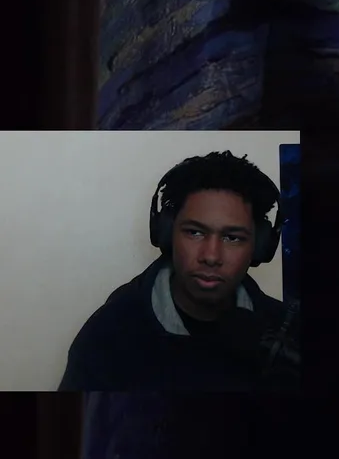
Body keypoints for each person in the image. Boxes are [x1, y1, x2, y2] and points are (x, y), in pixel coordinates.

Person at [59, 151, 296, 392]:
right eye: (195, 232)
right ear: (167, 233)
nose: (211, 256)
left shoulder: (287, 335)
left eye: (232, 237)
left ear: (260, 246)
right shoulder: (108, 338)